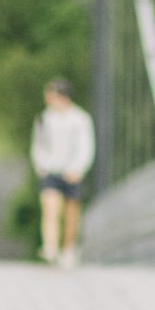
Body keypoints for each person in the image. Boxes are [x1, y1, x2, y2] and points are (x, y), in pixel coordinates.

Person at [30, 79, 96, 268]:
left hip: (72, 172)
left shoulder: (80, 119)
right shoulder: (43, 118)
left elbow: (85, 147)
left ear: (62, 96)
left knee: (71, 214)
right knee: (50, 209)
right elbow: (38, 145)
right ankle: (51, 247)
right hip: (51, 171)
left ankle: (68, 249)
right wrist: (40, 165)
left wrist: (78, 168)